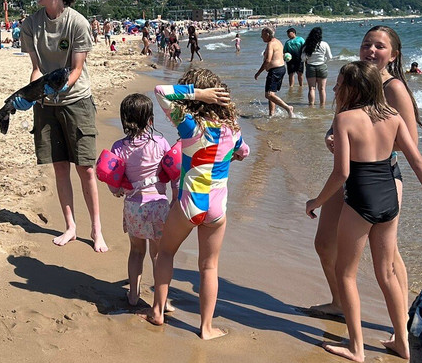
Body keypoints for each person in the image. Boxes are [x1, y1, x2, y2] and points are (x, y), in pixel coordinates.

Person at [305, 61, 422, 362]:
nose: (334, 88)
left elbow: (341, 173)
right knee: (387, 272)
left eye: (339, 84)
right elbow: (417, 160)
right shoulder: (393, 116)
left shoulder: (345, 119)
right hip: (389, 197)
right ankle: (402, 342)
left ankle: (356, 348)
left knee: (346, 274)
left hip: (361, 200)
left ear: (352, 88)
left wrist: (316, 202)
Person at [309, 26, 421, 318]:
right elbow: (338, 123)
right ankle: (339, 303)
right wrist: (330, 138)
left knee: (388, 257)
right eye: (366, 44)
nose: (371, 50)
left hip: (382, 176)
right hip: (347, 174)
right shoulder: (354, 79)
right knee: (324, 243)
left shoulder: (393, 88)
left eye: (379, 46)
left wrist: (366, 142)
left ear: (393, 55)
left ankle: (405, 322)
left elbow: (410, 143)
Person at [145, 68, 249, 339]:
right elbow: (244, 151)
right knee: (209, 266)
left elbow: (160, 91)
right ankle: (206, 328)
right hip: (216, 210)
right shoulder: (232, 131)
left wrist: (199, 94)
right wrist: (231, 157)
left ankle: (157, 311)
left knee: (166, 253)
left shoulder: (190, 126)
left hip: (189, 204)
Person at [17, 0, 107, 252]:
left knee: (86, 169)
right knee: (59, 168)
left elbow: (76, 69)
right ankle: (70, 226)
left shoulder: (77, 23)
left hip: (76, 100)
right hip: (46, 103)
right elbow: (36, 68)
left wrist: (58, 90)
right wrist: (32, 93)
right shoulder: (30, 25)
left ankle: (96, 229)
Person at [108, 93, 172, 307]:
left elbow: (113, 182)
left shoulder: (118, 147)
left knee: (136, 251)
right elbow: (174, 172)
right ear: (151, 120)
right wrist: (175, 199)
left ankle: (133, 296)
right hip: (159, 206)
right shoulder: (161, 143)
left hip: (134, 206)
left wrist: (117, 191)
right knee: (159, 254)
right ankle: (161, 301)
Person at [254, 27, 294, 117]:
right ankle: (271, 114)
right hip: (281, 68)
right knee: (272, 93)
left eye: (262, 35)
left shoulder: (271, 44)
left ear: (267, 34)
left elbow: (268, 60)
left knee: (268, 94)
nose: (261, 37)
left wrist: (258, 72)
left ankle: (288, 108)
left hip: (275, 70)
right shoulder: (278, 42)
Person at [302, 26, 334, 107]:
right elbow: (330, 57)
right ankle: (322, 106)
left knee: (312, 88)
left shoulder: (307, 45)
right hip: (322, 66)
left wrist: (308, 60)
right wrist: (324, 62)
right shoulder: (324, 44)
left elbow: (302, 58)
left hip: (310, 67)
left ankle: (311, 105)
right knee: (322, 89)